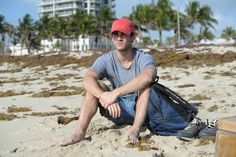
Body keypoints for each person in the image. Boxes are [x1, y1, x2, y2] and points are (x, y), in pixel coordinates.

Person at [60, 18, 157, 146]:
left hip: (140, 109)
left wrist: (115, 93)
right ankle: (79, 133)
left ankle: (135, 129)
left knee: (146, 87)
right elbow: (87, 79)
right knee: (95, 87)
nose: (119, 38)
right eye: (115, 35)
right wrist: (104, 95)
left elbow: (148, 76)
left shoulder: (144, 57)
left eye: (123, 35)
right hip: (116, 109)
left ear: (132, 37)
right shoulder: (106, 59)